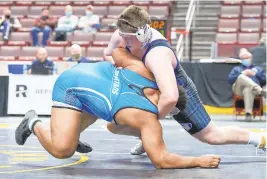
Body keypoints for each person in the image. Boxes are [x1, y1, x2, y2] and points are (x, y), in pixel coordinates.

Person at [15, 49, 220, 169]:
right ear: (171, 108)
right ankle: (33, 122)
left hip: (90, 74)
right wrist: (198, 160)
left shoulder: (144, 71)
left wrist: (118, 70)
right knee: (63, 150)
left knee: (103, 108)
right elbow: (162, 160)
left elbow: (116, 51)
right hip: (70, 88)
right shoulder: (148, 120)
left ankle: (72, 133)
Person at [103, 5, 267, 155]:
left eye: (128, 38)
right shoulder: (123, 33)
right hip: (148, 85)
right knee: (115, 126)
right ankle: (145, 137)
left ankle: (260, 139)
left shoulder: (157, 55)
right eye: (122, 36)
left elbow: (171, 97)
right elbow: (108, 53)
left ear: (142, 34)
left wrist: (148, 122)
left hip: (178, 91)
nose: (124, 41)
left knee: (211, 135)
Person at [228, 50, 266, 121]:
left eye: (247, 58)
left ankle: (248, 114)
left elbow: (264, 80)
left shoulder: (258, 69)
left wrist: (255, 74)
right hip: (239, 90)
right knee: (241, 76)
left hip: (252, 91)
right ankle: (261, 91)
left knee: (248, 90)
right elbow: (230, 80)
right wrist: (243, 73)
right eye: (243, 58)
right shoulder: (237, 69)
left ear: (251, 58)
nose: (245, 60)